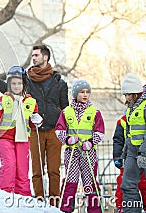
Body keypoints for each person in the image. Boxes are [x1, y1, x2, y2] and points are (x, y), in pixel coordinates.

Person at [0, 44, 68, 205]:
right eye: (33, 55)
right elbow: (11, 90)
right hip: (33, 131)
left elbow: (65, 108)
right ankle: (35, 201)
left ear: (45, 57)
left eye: (36, 55)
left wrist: (66, 129)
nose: (33, 58)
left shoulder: (59, 82)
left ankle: (53, 204)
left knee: (53, 170)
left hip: (52, 130)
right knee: (35, 170)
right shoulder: (28, 80)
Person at [0, 66, 43, 195]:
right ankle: (4, 193)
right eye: (13, 83)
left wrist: (38, 121)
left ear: (24, 84)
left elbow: (33, 122)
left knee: (22, 168)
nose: (17, 86)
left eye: (19, 83)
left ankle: (23, 196)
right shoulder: (4, 99)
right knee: (9, 165)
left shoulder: (31, 102)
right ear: (9, 84)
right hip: (5, 137)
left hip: (23, 139)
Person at [55, 79, 105, 213]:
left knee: (90, 181)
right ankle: (66, 208)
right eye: (82, 92)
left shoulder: (95, 112)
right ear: (76, 94)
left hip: (88, 152)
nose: (85, 95)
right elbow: (59, 130)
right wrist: (67, 139)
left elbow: (100, 131)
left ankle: (94, 209)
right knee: (70, 180)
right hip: (72, 151)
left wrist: (91, 142)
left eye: (87, 92)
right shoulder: (66, 112)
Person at [120, 73, 146, 213]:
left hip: (144, 151)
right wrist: (125, 152)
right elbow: (129, 132)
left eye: (129, 94)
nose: (127, 98)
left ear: (136, 93)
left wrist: (144, 152)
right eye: (125, 95)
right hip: (132, 152)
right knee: (127, 185)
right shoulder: (130, 108)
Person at [113, 114, 146, 213]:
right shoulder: (122, 121)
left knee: (144, 185)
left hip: (142, 156)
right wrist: (117, 157)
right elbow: (118, 140)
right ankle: (123, 208)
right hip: (128, 158)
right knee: (123, 185)